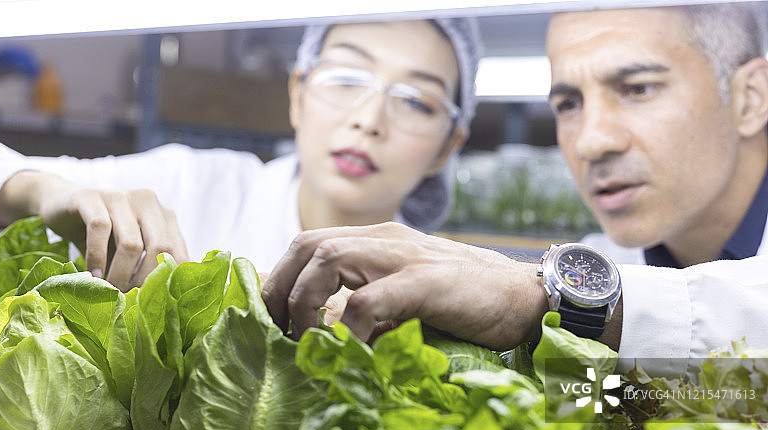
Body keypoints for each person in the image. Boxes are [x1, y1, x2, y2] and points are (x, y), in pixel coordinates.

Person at [261, 3, 768, 379]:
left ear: (751, 98)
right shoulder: (612, 258)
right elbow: (662, 402)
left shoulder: (590, 287)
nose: (591, 141)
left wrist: (536, 299)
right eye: (568, 103)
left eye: (638, 89)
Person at [0, 17, 482, 290]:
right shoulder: (195, 184)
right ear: (298, 94)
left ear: (447, 147)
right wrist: (43, 191)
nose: (369, 120)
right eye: (346, 77)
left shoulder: (431, 282)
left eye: (416, 101)